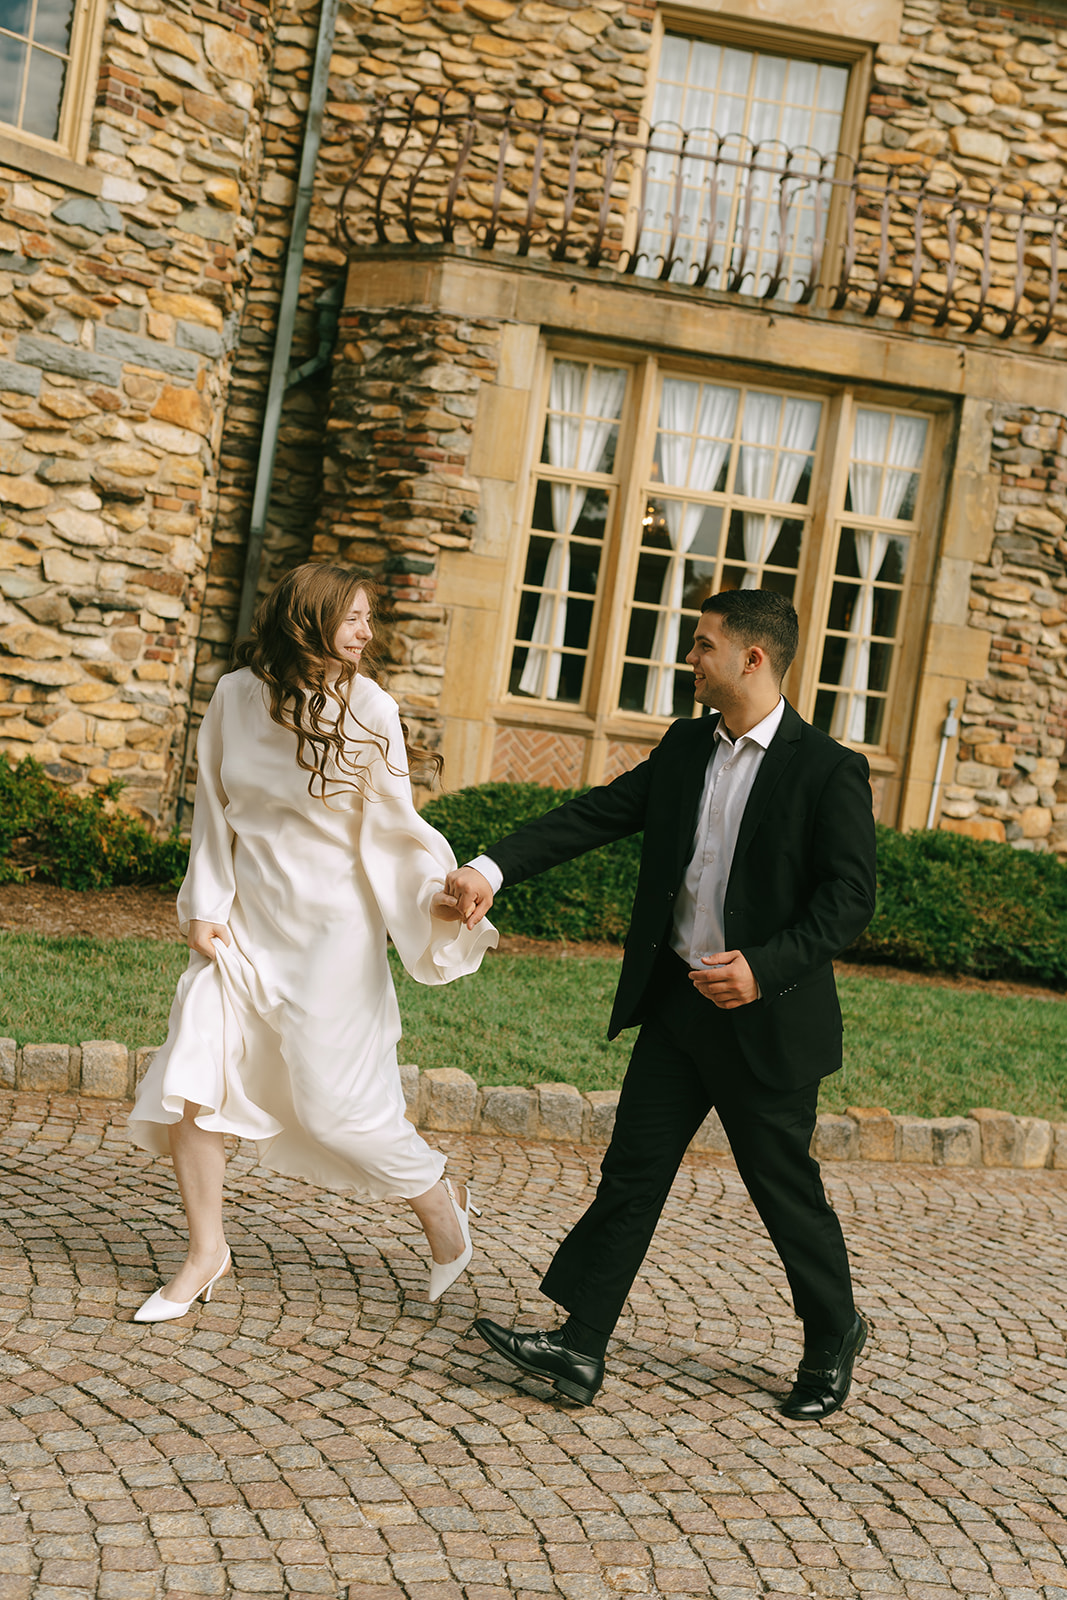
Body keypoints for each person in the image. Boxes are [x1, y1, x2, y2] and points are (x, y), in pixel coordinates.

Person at [446, 589, 876, 1417]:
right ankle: (579, 1346)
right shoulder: (685, 748)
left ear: (751, 659)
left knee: (782, 1191)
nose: (690, 657)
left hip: (768, 1023)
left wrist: (764, 968)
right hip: (678, 1008)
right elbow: (594, 814)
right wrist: (488, 869)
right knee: (630, 1176)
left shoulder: (826, 769)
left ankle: (831, 1335)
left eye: (703, 645)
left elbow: (848, 900)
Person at [128, 563, 496, 1322]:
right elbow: (213, 808)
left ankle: (438, 1204)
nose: (368, 632)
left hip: (332, 937)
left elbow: (393, 828)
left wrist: (436, 895)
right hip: (244, 928)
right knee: (194, 1084)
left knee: (337, 1113)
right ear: (308, 618)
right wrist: (204, 903)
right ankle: (205, 1253)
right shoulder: (234, 697)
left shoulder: (371, 709)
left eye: (369, 618)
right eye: (354, 616)